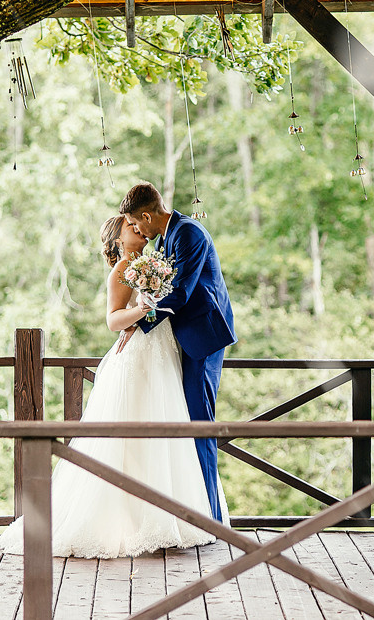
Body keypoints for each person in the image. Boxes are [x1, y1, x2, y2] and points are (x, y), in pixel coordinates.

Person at [0, 215, 225, 559]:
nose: (137, 229)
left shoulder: (156, 260)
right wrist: (142, 310)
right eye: (130, 227)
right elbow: (113, 319)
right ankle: (125, 520)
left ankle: (168, 515)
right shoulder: (121, 270)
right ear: (117, 239)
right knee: (129, 435)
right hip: (138, 355)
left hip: (164, 353)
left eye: (137, 225)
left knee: (166, 429)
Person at [119, 182, 236, 523]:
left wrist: (138, 323)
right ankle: (196, 512)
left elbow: (181, 293)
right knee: (187, 423)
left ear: (145, 215)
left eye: (136, 224)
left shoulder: (188, 234)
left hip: (202, 339)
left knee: (200, 425)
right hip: (184, 337)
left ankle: (211, 519)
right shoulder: (170, 236)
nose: (138, 231)